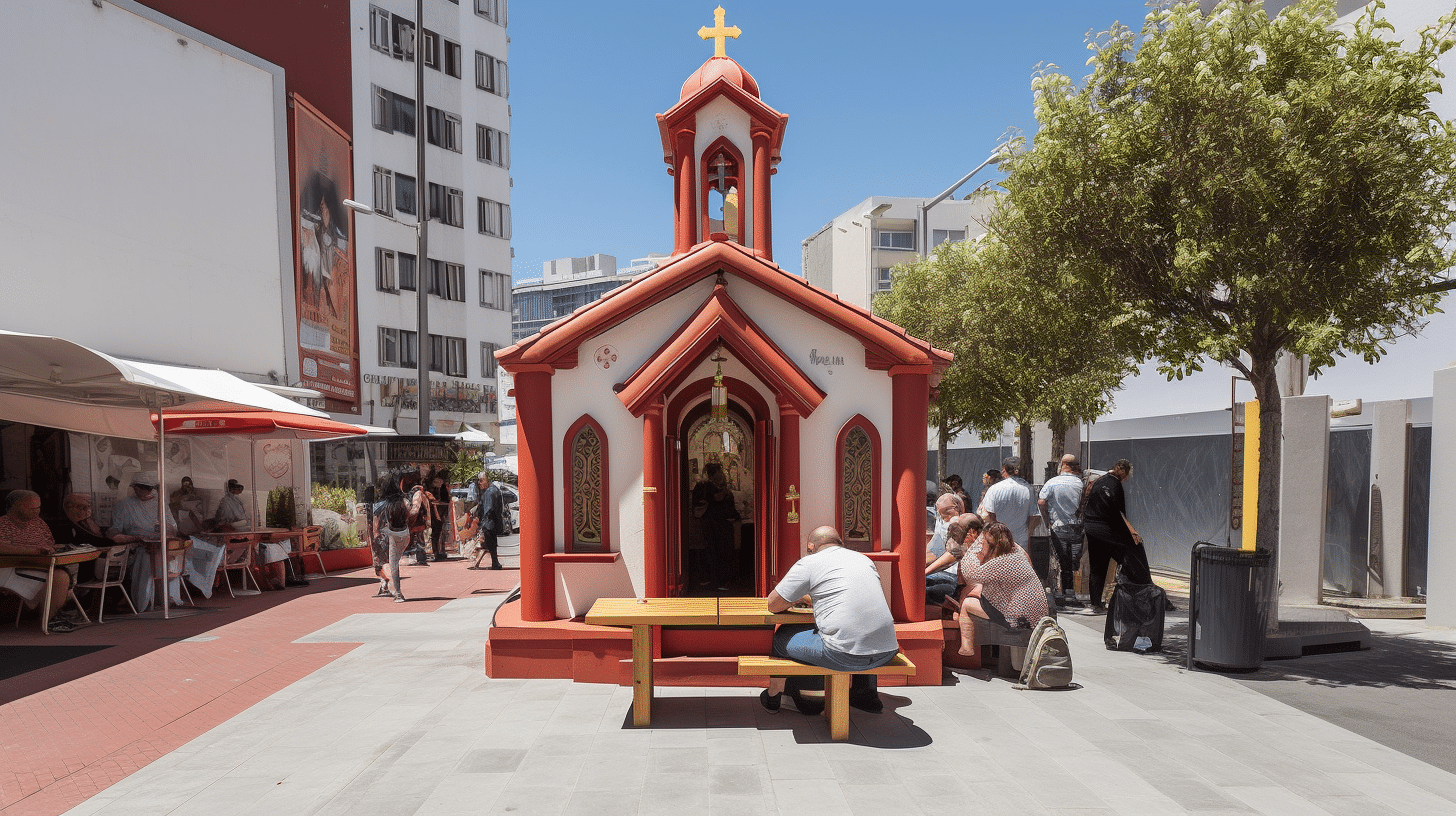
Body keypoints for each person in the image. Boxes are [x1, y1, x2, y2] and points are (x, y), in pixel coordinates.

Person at [761, 526, 899, 716]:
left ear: (811, 545)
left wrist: (797, 596)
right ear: (839, 542)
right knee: (860, 629)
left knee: (782, 635)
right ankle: (866, 696)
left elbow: (773, 605)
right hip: (888, 650)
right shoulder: (864, 560)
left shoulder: (810, 562)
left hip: (842, 654)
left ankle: (775, 694)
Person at [956, 521, 1049, 656]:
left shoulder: (997, 564)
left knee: (967, 604)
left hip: (1018, 617)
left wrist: (974, 551)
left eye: (983, 542)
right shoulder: (1019, 554)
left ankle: (966, 648)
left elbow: (973, 582)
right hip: (1038, 612)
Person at [0, 490, 76, 632]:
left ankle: (51, 612)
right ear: (16, 506)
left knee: (65, 573)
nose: (37, 512)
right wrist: (34, 551)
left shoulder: (38, 523)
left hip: (41, 567)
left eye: (38, 508)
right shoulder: (3, 524)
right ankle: (50, 619)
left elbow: (49, 544)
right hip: (13, 569)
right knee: (60, 577)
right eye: (32, 508)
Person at [1083, 459, 1153, 613]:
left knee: (1097, 566)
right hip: (1106, 530)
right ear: (1122, 470)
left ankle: (1096, 603)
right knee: (1130, 558)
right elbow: (1119, 513)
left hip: (1091, 528)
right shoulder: (1115, 485)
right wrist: (1130, 533)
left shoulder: (1099, 481)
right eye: (1127, 474)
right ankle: (1139, 594)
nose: (1127, 477)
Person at [109, 473, 180, 611]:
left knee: (167, 557)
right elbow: (114, 532)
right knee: (147, 558)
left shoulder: (160, 504)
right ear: (134, 487)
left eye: (147, 488)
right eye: (140, 487)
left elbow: (174, 528)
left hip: (161, 544)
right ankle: (144, 600)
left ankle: (167, 597)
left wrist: (164, 525)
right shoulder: (124, 505)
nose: (143, 491)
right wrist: (134, 538)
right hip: (136, 547)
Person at [1039, 454, 1087, 609]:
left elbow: (1041, 501)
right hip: (1075, 527)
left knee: (1059, 561)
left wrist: (1047, 519)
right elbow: (1083, 503)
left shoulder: (1052, 482)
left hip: (1058, 526)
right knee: (1072, 563)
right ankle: (1070, 593)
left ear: (1063, 465)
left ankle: (1059, 593)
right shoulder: (1079, 483)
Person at [371, 468, 415, 602]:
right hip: (405, 534)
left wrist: (377, 531)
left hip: (392, 534)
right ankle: (392, 586)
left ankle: (398, 593)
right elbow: (410, 513)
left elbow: (376, 517)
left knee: (393, 563)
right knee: (395, 558)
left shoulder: (383, 502)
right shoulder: (404, 500)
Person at [980, 457, 1039, 556]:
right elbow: (1035, 517)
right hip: (1021, 541)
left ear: (1003, 469)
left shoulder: (994, 489)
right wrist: (1027, 535)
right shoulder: (1029, 489)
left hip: (999, 539)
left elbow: (986, 515)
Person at [926, 512, 984, 611]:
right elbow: (951, 554)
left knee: (927, 591)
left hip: (970, 592)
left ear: (972, 533)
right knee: (929, 580)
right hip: (961, 585)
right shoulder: (970, 541)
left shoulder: (980, 547)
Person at [701, 465, 740, 591]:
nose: (722, 475)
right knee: (719, 551)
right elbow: (716, 499)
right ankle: (720, 581)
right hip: (716, 524)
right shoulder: (708, 487)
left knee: (723, 551)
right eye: (719, 472)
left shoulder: (718, 486)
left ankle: (722, 580)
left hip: (723, 523)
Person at [923, 492, 965, 606]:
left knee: (922, 590)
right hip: (944, 573)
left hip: (954, 577)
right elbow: (934, 551)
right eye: (940, 513)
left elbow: (953, 554)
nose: (943, 517)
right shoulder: (943, 525)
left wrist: (924, 572)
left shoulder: (959, 524)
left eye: (945, 512)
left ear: (956, 508)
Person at [469, 476, 507, 570]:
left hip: (489, 523)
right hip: (492, 522)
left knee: (489, 544)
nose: (479, 483)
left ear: (488, 480)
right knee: (490, 544)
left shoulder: (490, 492)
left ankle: (494, 563)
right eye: (478, 481)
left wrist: (482, 524)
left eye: (481, 480)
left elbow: (488, 509)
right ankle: (494, 563)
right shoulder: (491, 490)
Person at [427, 472, 450, 562]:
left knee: (439, 534)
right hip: (435, 516)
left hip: (440, 515)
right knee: (436, 534)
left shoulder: (442, 489)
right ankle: (436, 552)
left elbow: (446, 501)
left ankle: (438, 552)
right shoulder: (433, 490)